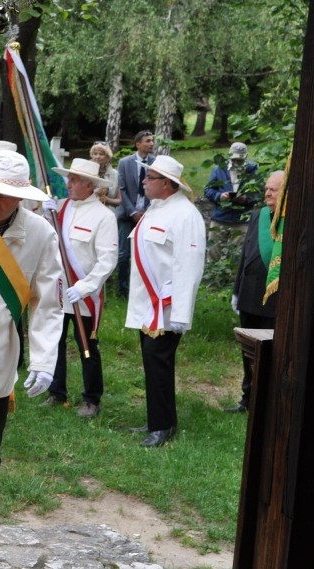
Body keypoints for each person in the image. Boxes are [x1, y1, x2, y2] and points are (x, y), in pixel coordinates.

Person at [0, 150, 63, 503]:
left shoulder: (41, 234)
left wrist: (44, 362)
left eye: (6, 195)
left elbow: (49, 304)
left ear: (22, 197)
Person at [126, 155, 205, 447]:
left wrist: (181, 312)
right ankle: (156, 418)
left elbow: (190, 265)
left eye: (150, 178)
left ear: (167, 184)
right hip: (148, 305)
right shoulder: (155, 209)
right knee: (151, 362)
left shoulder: (186, 215)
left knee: (159, 362)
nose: (144, 181)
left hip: (167, 306)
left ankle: (163, 427)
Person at [45, 158, 118, 418]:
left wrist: (86, 287)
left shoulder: (104, 216)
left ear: (89, 185)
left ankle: (91, 398)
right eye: (69, 179)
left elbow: (107, 260)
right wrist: (44, 213)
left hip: (83, 295)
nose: (69, 184)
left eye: (74, 180)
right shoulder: (61, 208)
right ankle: (56, 391)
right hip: (59, 288)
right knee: (56, 342)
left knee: (87, 345)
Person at [226, 170, 283, 413]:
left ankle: (267, 401)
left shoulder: (294, 219)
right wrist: (237, 289)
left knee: (271, 353)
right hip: (249, 294)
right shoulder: (258, 216)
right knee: (248, 352)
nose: (268, 192)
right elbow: (245, 257)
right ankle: (247, 398)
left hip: (274, 299)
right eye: (267, 188)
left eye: (274, 189)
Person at [204, 142, 260, 261]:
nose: (235, 162)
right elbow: (208, 190)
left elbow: (259, 193)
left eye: (239, 160)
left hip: (241, 220)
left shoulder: (252, 170)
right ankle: (214, 279)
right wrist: (220, 196)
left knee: (239, 257)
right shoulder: (219, 169)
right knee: (213, 254)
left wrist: (246, 199)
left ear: (246, 157)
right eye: (233, 159)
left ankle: (234, 279)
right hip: (220, 218)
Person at [115, 130, 155, 297]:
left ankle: (142, 289)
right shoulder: (125, 162)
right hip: (127, 215)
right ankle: (123, 290)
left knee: (145, 254)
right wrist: (132, 212)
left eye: (152, 141)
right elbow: (122, 189)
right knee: (124, 254)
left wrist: (145, 212)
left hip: (148, 215)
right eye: (147, 141)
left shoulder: (155, 162)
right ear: (138, 144)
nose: (151, 143)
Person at [90, 141, 120, 214]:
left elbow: (119, 200)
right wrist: (95, 193)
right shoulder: (85, 172)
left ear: (107, 157)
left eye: (101, 154)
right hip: (89, 212)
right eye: (95, 154)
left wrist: (107, 200)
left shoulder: (116, 174)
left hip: (109, 214)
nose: (98, 157)